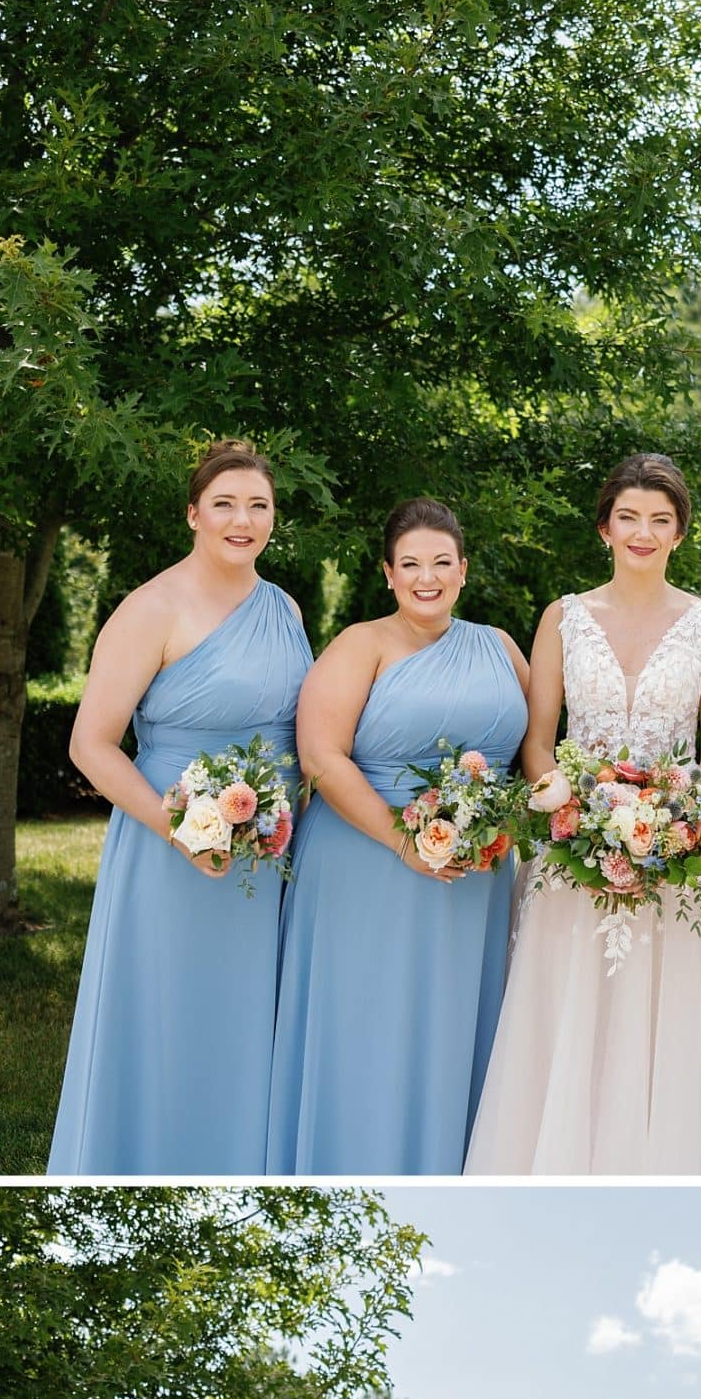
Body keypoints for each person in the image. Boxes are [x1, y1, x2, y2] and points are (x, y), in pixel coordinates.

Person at [464, 455, 701, 1173]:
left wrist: (677, 824)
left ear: (680, 535)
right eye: (629, 517)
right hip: (572, 854)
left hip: (677, 862)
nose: (644, 532)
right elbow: (539, 743)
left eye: (661, 521)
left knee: (664, 1035)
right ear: (604, 527)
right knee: (567, 1023)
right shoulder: (563, 618)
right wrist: (581, 812)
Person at [49, 441, 310, 1176]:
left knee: (244, 1024)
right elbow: (91, 745)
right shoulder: (150, 608)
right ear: (193, 514)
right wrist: (181, 831)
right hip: (169, 847)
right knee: (168, 1021)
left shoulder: (284, 606)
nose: (243, 520)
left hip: (268, 850)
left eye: (258, 506)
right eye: (225, 504)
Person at [265, 501, 529, 1174]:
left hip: (475, 880)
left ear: (464, 570)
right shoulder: (361, 645)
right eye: (410, 564)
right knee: (368, 1027)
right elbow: (322, 757)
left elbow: (534, 755)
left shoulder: (500, 646)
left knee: (455, 1030)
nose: (427, 577)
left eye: (442, 562)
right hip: (367, 864)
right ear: (388, 574)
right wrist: (403, 841)